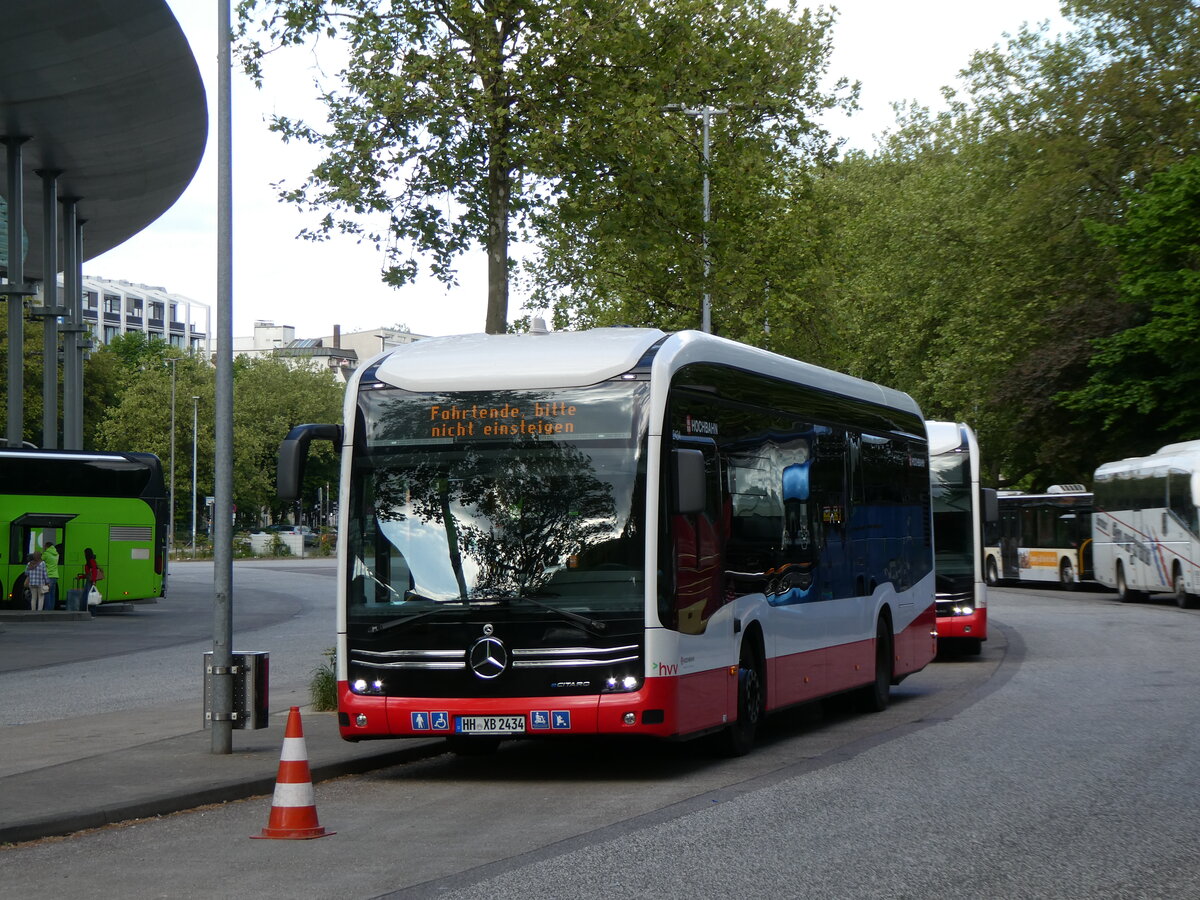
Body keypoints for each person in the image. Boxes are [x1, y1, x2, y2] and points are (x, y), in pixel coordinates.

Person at [42, 538, 60, 611]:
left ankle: (47, 609)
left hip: (48, 576)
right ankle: (51, 609)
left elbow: (40, 561)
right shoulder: (57, 554)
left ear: (47, 547)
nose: (44, 548)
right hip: (55, 576)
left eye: (44, 547)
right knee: (52, 594)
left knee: (46, 593)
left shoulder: (46, 554)